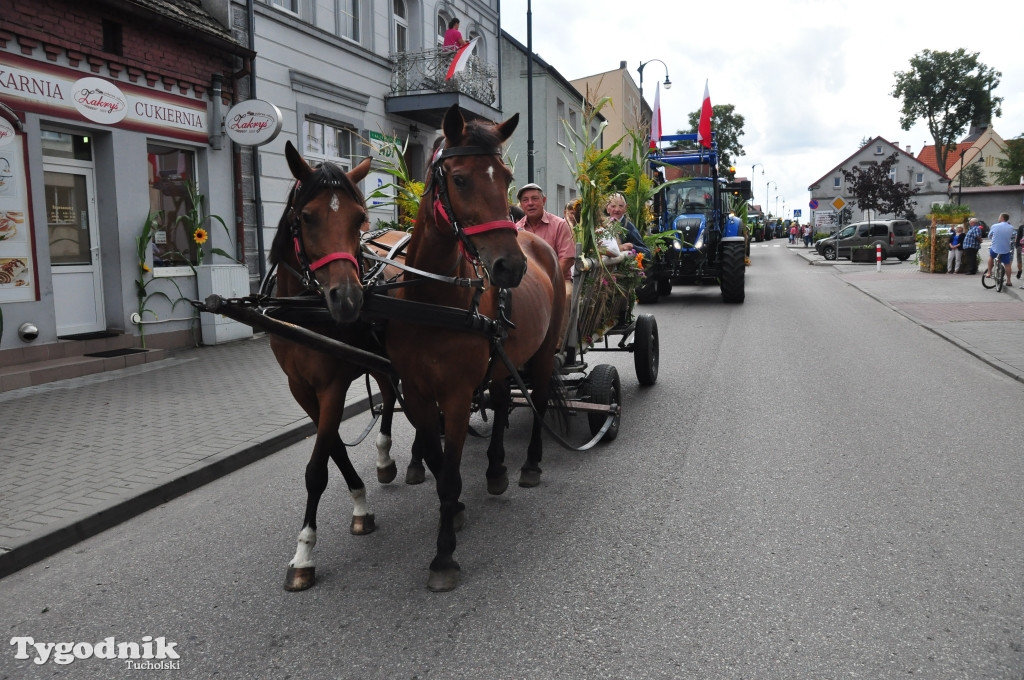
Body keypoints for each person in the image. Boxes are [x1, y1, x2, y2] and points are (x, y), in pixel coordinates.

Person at [516, 183, 574, 346]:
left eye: (535, 199)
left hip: (559, 280)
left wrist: (549, 282)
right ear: (521, 205)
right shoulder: (516, 228)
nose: (530, 203)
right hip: (526, 282)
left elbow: (568, 258)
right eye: (525, 200)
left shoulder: (560, 225)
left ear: (544, 200)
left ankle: (555, 346)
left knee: (567, 295)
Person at [604, 193, 651, 257]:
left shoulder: (629, 228)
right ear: (607, 208)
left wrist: (631, 246)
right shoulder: (602, 225)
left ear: (625, 208)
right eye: (613, 206)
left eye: (620, 206)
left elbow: (648, 253)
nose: (617, 209)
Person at [983, 213, 1015, 285]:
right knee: (1007, 264)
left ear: (1002, 218)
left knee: (991, 257)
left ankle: (989, 272)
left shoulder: (995, 226)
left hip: (995, 247)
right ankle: (1009, 280)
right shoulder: (1011, 227)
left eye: (999, 217)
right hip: (1006, 248)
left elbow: (989, 236)